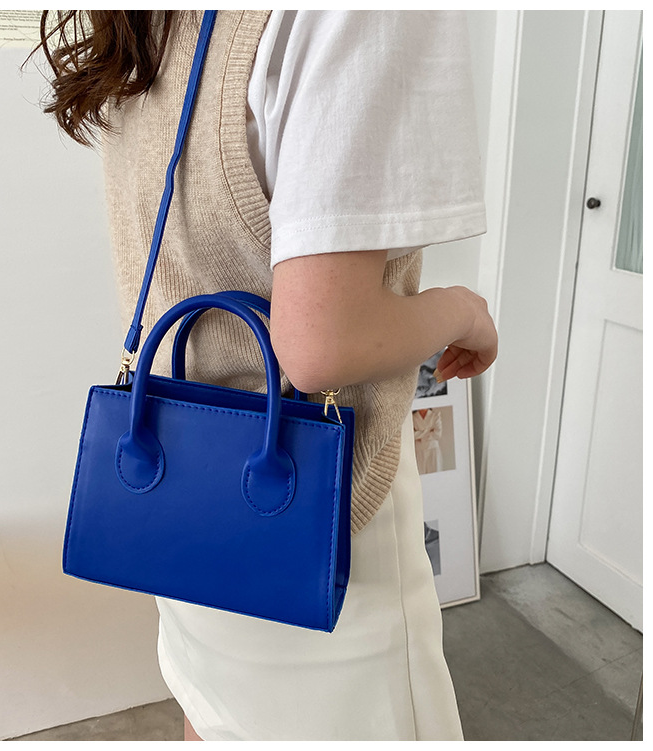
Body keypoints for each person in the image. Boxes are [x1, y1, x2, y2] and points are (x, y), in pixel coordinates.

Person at [38, 10, 497, 741]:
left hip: (177, 494)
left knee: (210, 713)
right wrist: (462, 311)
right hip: (317, 515)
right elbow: (321, 348)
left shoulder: (151, 20)